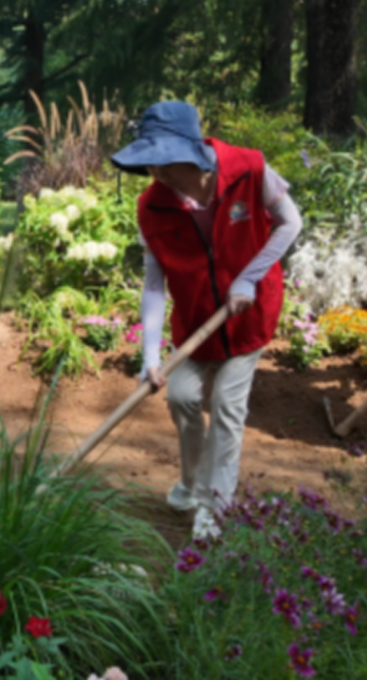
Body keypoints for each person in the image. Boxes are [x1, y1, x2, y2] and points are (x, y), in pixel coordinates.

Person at [110, 101, 302, 539]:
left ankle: (214, 509)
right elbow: (154, 285)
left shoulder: (249, 169)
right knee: (180, 396)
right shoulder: (152, 207)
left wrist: (249, 277)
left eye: (164, 161)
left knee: (228, 408)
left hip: (249, 314)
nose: (156, 173)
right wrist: (150, 356)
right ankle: (192, 484)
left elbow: (290, 223)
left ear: (191, 153)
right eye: (150, 163)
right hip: (196, 320)